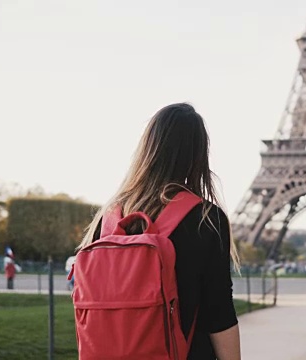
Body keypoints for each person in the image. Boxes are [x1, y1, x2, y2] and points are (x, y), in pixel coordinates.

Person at [77, 103, 241, 359]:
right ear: (198, 153)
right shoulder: (205, 219)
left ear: (147, 147)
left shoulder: (108, 219)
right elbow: (218, 312)